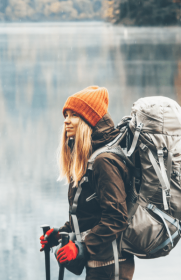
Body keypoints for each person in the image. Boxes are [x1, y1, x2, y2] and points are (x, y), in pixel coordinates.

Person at [40, 86, 134, 280]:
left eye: (74, 115)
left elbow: (116, 218)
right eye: (66, 114)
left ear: (88, 120)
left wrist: (81, 246)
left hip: (112, 268)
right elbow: (91, 216)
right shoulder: (89, 160)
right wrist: (61, 234)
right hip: (99, 266)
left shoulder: (104, 161)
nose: (66, 120)